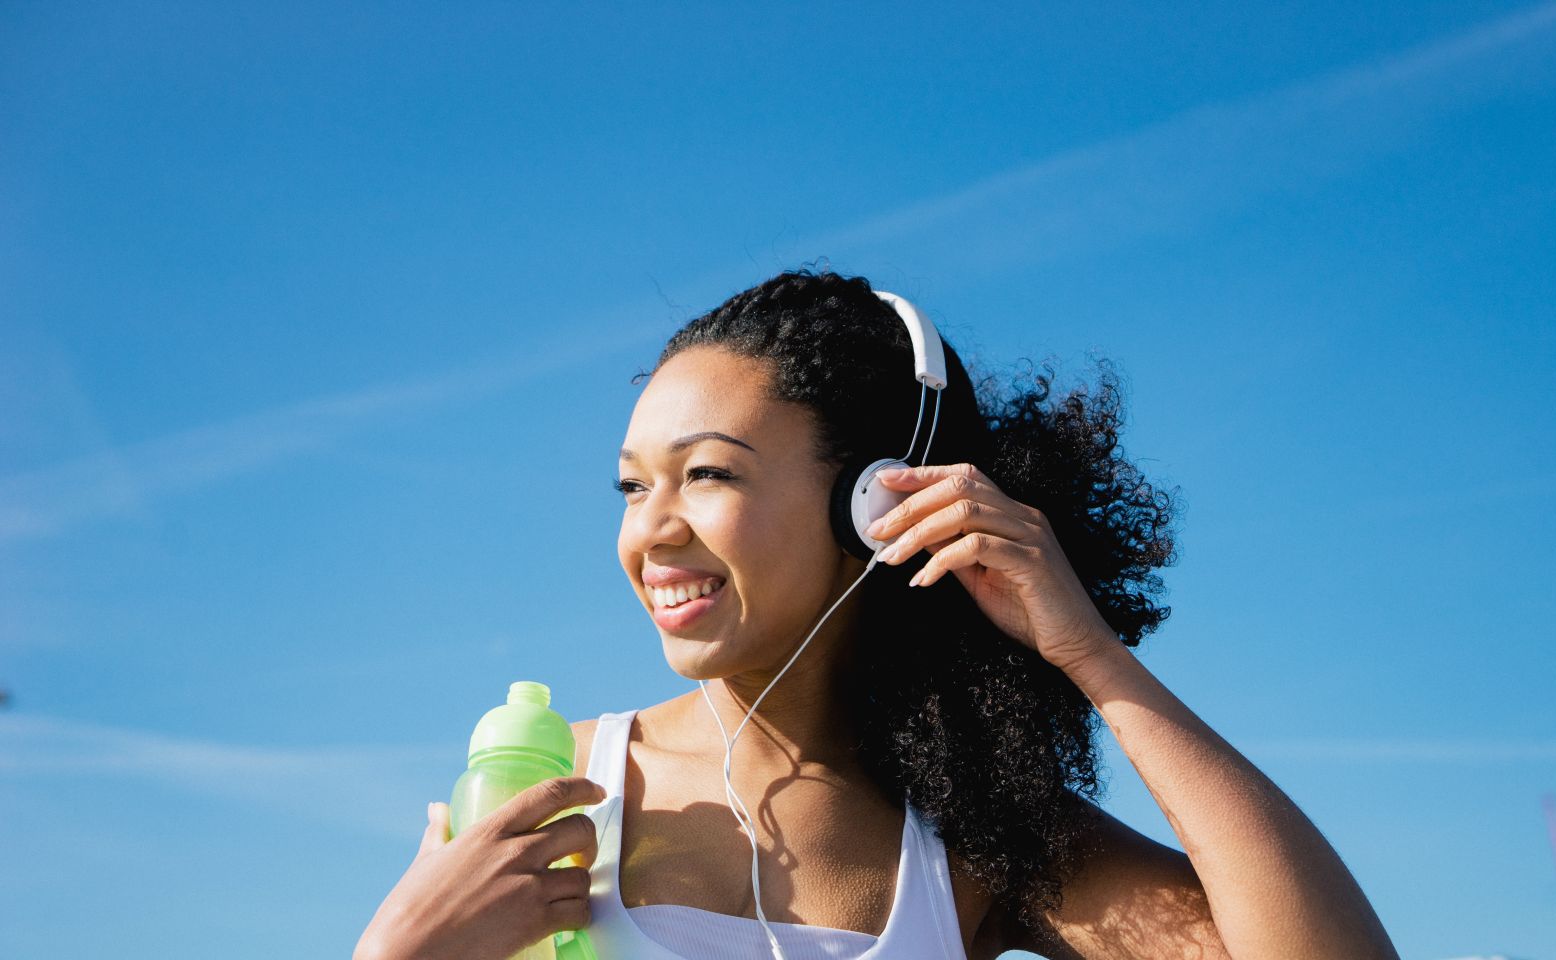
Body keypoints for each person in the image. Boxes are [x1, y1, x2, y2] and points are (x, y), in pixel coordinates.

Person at [356, 269, 1400, 960]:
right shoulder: (555, 789)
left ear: (875, 503)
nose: (652, 532)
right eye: (634, 487)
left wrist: (1090, 654)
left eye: (707, 474)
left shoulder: (975, 836)